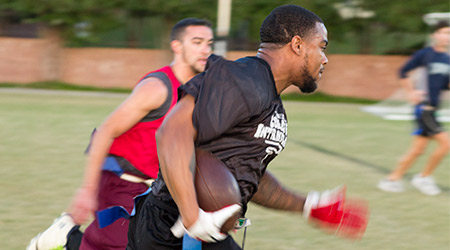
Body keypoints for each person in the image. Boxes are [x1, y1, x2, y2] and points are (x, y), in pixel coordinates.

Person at [127, 5, 369, 250]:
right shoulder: (243, 79)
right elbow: (171, 133)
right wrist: (191, 217)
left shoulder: (268, 97)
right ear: (297, 45)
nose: (325, 58)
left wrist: (308, 205)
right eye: (322, 46)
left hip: (205, 233)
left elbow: (245, 174)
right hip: (170, 232)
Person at [27, 18, 214, 250]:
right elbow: (105, 131)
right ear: (177, 46)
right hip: (121, 185)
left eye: (209, 43)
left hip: (155, 191)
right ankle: (66, 237)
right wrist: (87, 190)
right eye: (197, 42)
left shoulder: (197, 93)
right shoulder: (157, 88)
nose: (205, 49)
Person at [378, 21, 450, 196]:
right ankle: (424, 177)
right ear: (434, 35)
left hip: (433, 110)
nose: (446, 37)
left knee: (418, 150)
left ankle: (391, 180)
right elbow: (403, 72)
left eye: (449, 33)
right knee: (447, 143)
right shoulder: (425, 54)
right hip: (423, 108)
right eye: (443, 32)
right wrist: (411, 92)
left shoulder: (447, 59)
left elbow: (445, 85)